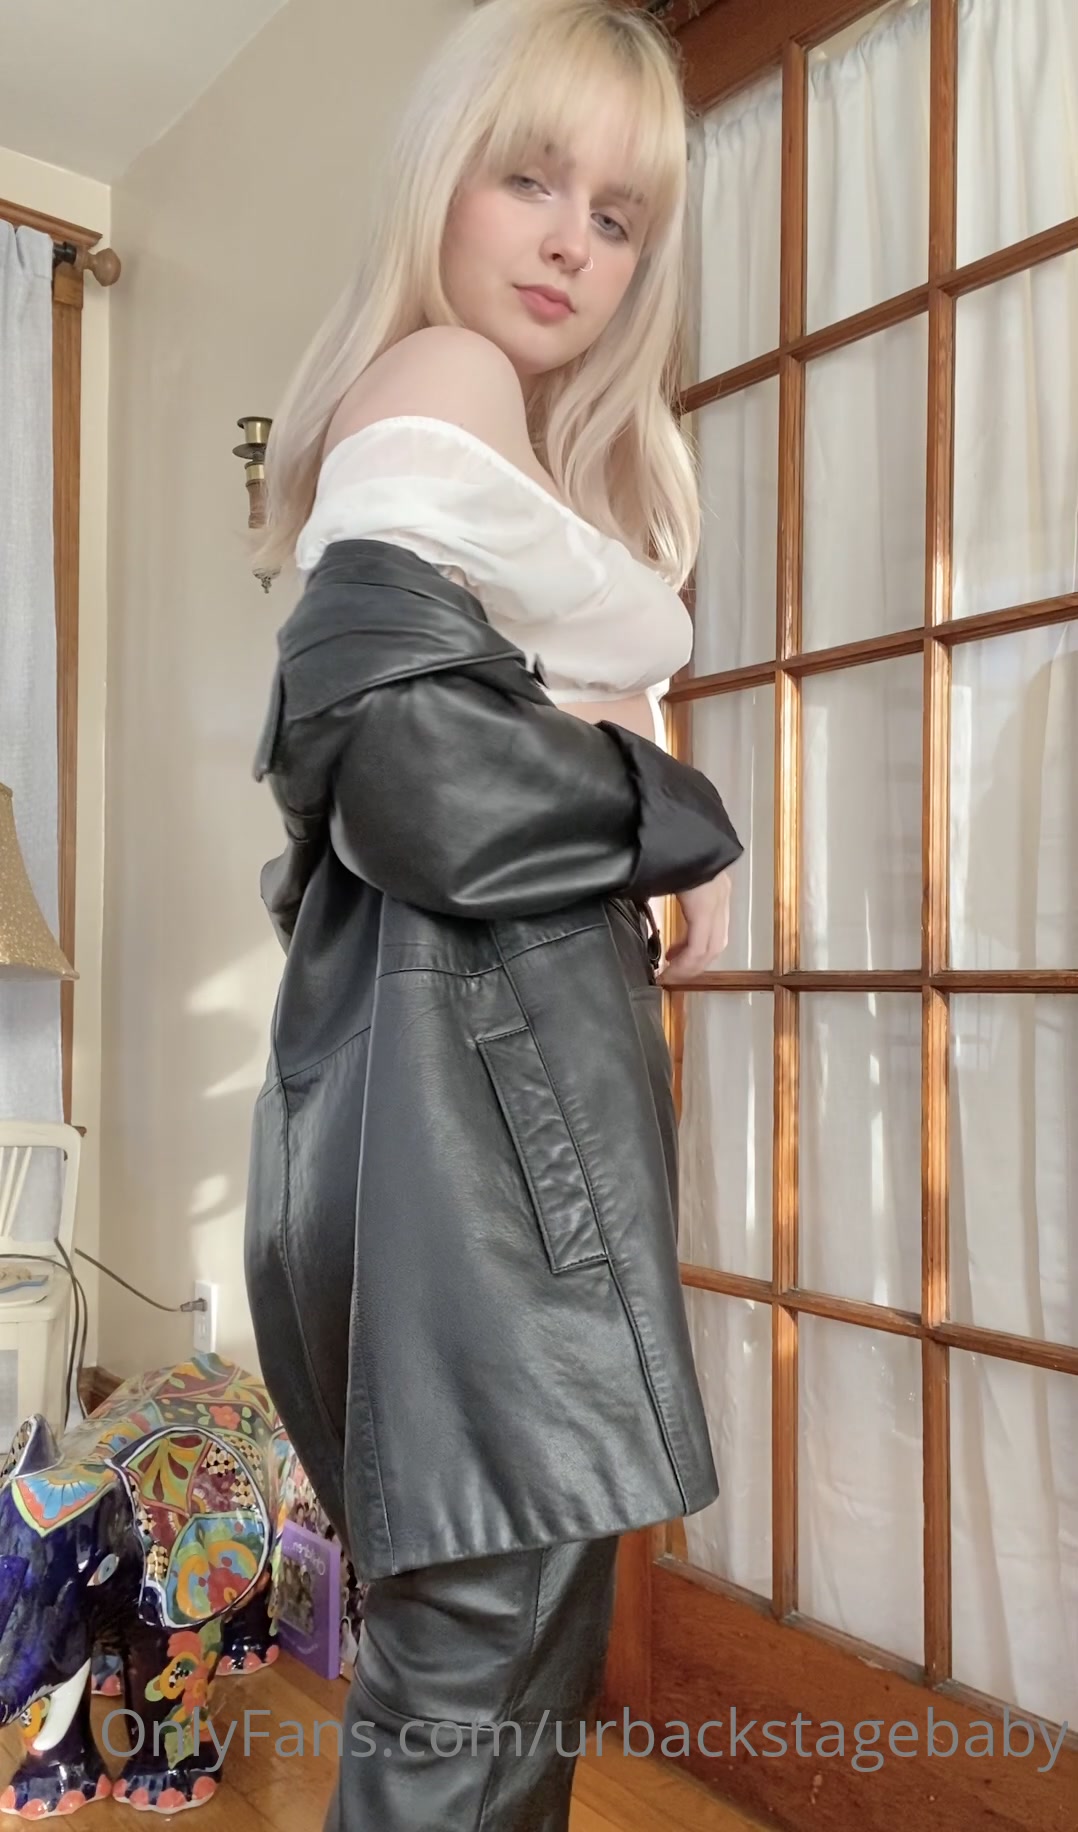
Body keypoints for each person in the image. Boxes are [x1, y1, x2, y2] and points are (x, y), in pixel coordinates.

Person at [243, 1, 743, 1825]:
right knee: (480, 1663)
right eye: (528, 181)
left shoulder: (525, 438)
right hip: (475, 1142)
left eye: (614, 216)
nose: (569, 246)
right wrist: (674, 811)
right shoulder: (445, 373)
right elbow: (412, 779)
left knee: (503, 1654)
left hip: (489, 1114)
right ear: (438, 182)